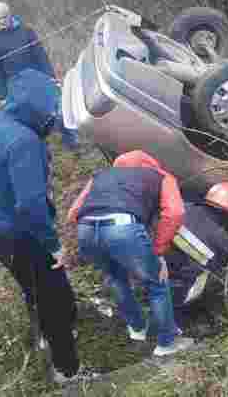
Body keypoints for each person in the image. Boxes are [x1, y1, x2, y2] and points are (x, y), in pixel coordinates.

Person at [0, 68, 98, 384]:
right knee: (52, 298)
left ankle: (50, 332)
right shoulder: (24, 142)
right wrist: (52, 244)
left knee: (36, 289)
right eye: (48, 115)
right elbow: (29, 205)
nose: (51, 123)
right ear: (34, 112)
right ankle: (67, 371)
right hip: (23, 237)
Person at [67, 150, 199, 357]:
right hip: (122, 227)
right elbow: (175, 212)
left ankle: (137, 328)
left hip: (86, 230)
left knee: (116, 277)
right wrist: (159, 251)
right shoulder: (161, 176)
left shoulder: (101, 175)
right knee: (157, 283)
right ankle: (167, 343)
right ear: (151, 164)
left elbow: (73, 213)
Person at [167, 181, 228, 337]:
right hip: (179, 293)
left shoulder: (183, 209)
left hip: (151, 273)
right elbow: (219, 272)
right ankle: (188, 325)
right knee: (222, 278)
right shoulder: (223, 240)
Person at [0, 1, 79, 151]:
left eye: (4, 17)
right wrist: (2, 96)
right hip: (15, 83)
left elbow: (40, 55)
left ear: (10, 14)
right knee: (29, 120)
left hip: (36, 77)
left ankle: (72, 141)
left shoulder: (26, 30)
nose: (1, 21)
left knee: (58, 108)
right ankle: (41, 150)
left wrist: (51, 77)